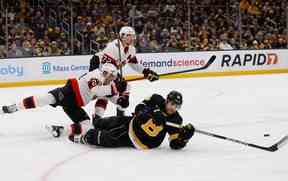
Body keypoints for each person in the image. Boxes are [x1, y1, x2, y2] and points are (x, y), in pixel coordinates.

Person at [0, 63, 125, 142]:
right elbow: (96, 89)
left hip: (74, 104)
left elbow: (116, 100)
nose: (112, 80)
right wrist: (115, 88)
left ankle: (60, 130)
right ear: (106, 73)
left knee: (87, 125)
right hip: (69, 92)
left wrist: (123, 99)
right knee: (45, 99)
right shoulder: (96, 75)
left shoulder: (107, 85)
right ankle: (14, 107)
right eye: (112, 77)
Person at [71, 90, 195, 150]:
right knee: (106, 122)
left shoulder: (176, 120)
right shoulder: (156, 99)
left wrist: (184, 138)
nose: (174, 108)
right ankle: (96, 123)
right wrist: (152, 113)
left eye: (177, 106)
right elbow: (138, 108)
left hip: (139, 140)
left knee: (110, 137)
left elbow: (174, 145)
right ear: (167, 100)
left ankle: (85, 137)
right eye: (172, 104)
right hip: (132, 122)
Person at [89, 26, 159, 121]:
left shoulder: (131, 49)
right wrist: (117, 78)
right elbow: (107, 66)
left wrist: (146, 72)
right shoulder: (113, 46)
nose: (132, 38)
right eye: (129, 36)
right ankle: (104, 117)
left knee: (110, 94)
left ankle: (115, 115)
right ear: (122, 36)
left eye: (133, 36)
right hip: (102, 72)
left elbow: (134, 64)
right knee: (119, 90)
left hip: (111, 73)